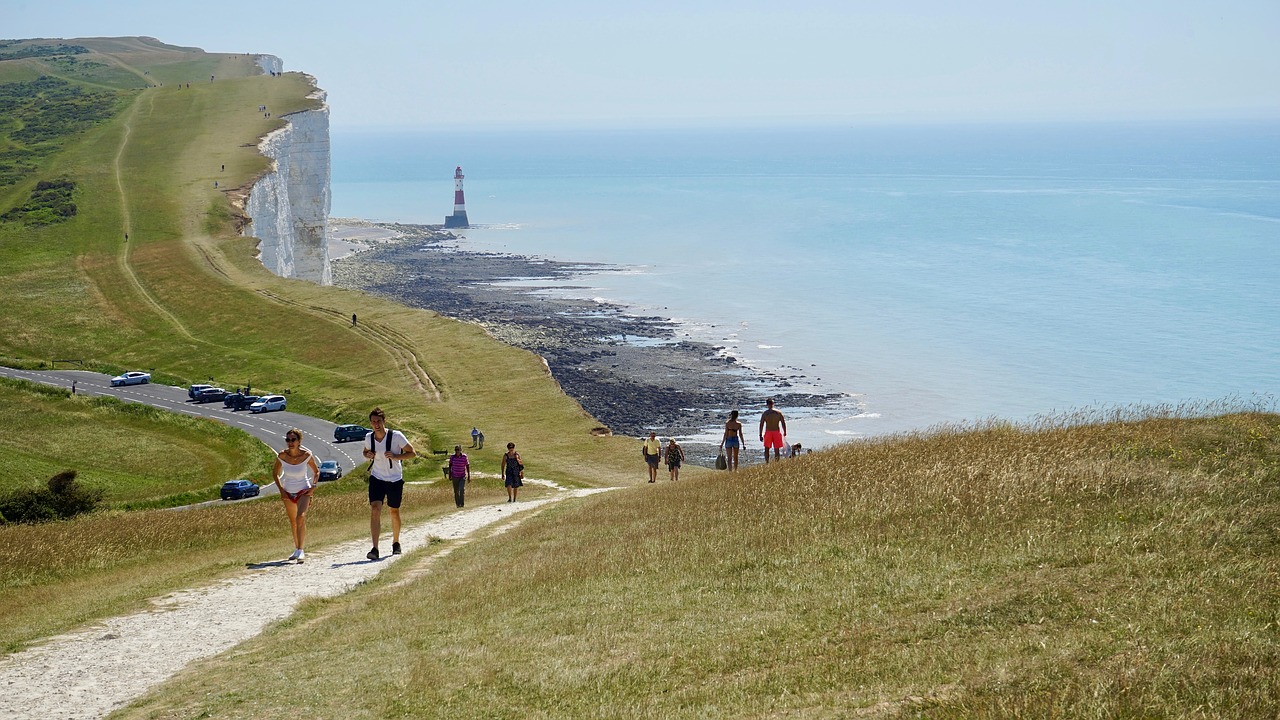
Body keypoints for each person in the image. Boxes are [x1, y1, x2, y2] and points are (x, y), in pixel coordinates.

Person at [363, 407, 415, 560]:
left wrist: (396, 456)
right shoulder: (369, 438)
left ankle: (396, 542)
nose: (376, 424)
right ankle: (375, 548)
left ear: (384, 421)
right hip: (377, 478)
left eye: (379, 421)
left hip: (394, 479)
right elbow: (365, 452)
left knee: (394, 510)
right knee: (375, 508)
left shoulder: (396, 436)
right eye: (373, 422)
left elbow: (412, 453)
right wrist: (368, 454)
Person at [273, 428, 320, 563]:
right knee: (293, 521)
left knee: (301, 517)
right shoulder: (282, 456)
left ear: (299, 441)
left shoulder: (306, 455)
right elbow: (275, 473)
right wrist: (282, 491)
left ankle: (301, 550)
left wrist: (313, 488)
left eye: (293, 439)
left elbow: (316, 472)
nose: (290, 442)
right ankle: (296, 548)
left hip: (303, 491)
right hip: (288, 492)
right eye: (288, 440)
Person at [759, 398, 788, 463]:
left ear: (767, 404)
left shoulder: (765, 413)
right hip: (776, 432)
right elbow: (783, 423)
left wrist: (760, 434)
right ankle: (776, 462)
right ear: (773, 404)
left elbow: (761, 424)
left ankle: (767, 462)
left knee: (767, 449)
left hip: (768, 432)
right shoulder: (778, 413)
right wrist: (785, 431)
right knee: (776, 449)